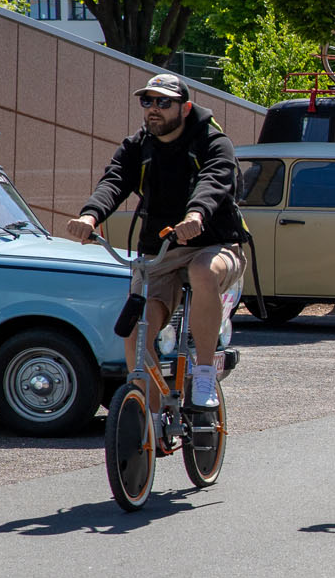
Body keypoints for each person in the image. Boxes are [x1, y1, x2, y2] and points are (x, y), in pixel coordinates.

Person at [66, 73, 247, 419]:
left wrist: (196, 215)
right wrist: (90, 216)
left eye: (164, 102)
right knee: (137, 331)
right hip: (160, 251)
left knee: (202, 270)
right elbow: (115, 180)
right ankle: (151, 419)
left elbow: (214, 180)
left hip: (215, 242)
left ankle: (205, 374)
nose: (154, 109)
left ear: (185, 107)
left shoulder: (213, 141)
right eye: (147, 101)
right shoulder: (137, 146)